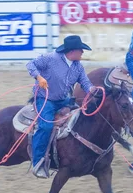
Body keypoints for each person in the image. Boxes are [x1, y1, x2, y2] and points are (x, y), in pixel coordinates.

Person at [26, 35, 96, 178]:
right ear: (72, 51)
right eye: (81, 50)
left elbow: (85, 82)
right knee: (45, 126)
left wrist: (92, 89)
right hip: (45, 99)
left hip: (64, 100)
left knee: (81, 117)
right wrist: (39, 78)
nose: (82, 53)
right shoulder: (51, 58)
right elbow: (30, 65)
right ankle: (37, 161)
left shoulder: (78, 67)